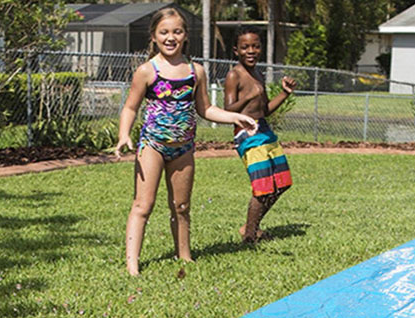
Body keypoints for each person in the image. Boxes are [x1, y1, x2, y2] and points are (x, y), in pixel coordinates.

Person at [115, 8, 257, 277]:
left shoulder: (196, 72)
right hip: (153, 146)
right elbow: (131, 107)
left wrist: (236, 117)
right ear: (154, 36)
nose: (171, 37)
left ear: (185, 36)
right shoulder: (147, 71)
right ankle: (132, 264)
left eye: (177, 32)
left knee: (181, 207)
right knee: (142, 205)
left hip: (183, 149)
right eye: (164, 32)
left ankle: (185, 255)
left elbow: (206, 109)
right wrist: (124, 134)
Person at [223, 27, 296, 243]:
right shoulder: (234, 75)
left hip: (263, 128)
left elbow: (264, 110)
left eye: (255, 46)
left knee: (282, 181)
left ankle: (251, 226)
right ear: (236, 50)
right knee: (262, 186)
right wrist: (248, 97)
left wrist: (284, 93)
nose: (251, 51)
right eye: (245, 47)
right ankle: (250, 236)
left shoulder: (258, 73)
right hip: (246, 132)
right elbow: (228, 110)